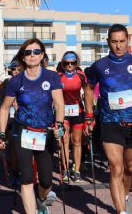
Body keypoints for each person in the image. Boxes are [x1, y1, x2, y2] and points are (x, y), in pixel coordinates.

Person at [84, 24, 132, 214]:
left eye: (122, 41)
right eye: (114, 42)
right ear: (108, 42)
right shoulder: (99, 66)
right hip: (110, 122)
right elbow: (89, 89)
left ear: (127, 41)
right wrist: (89, 114)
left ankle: (122, 194)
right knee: (116, 167)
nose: (118, 46)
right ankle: (121, 211)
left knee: (130, 168)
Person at [0, 39, 65, 214]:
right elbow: (4, 108)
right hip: (23, 132)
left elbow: (59, 104)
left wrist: (59, 125)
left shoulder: (51, 77)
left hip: (45, 133)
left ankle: (41, 199)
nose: (32, 55)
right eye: (28, 52)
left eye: (36, 52)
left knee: (46, 180)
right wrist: (2, 134)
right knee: (26, 178)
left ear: (42, 55)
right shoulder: (15, 81)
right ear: (23, 57)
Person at [56, 51, 88, 182]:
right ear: (63, 64)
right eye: (67, 63)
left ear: (76, 63)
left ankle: (77, 171)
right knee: (64, 141)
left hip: (78, 111)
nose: (70, 65)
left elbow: (88, 93)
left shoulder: (81, 75)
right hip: (64, 112)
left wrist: (89, 114)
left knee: (77, 142)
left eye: (72, 63)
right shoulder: (59, 76)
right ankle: (65, 169)